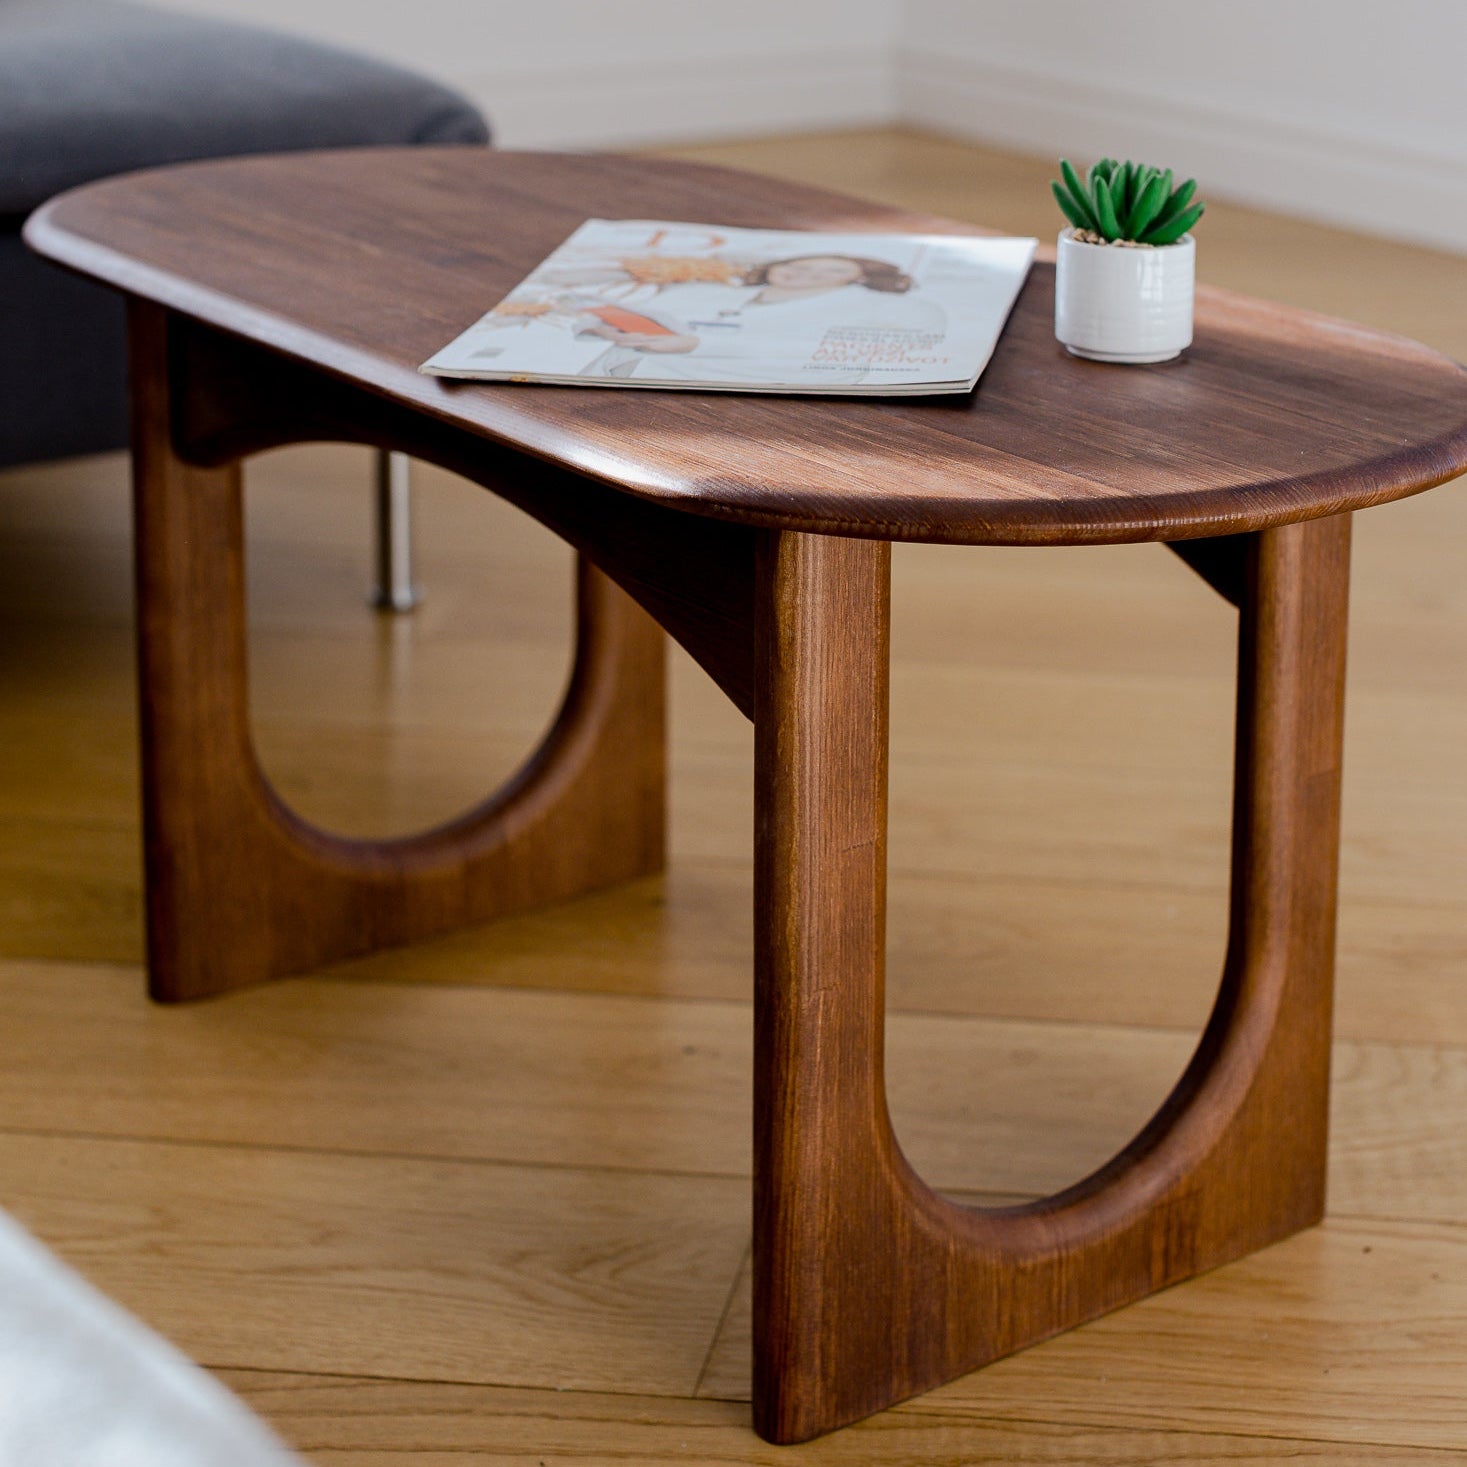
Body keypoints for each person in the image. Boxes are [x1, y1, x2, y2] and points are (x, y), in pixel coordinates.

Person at [575, 253, 946, 382]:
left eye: (831, 272)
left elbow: (817, 354)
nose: (807, 274)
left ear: (857, 280)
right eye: (801, 265)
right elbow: (666, 316)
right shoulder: (721, 292)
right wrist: (609, 325)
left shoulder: (870, 308)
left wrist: (696, 345)